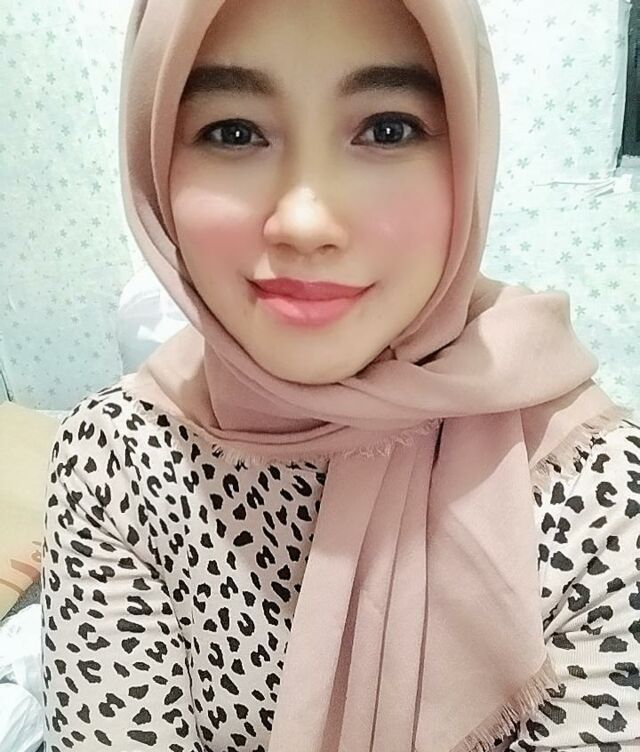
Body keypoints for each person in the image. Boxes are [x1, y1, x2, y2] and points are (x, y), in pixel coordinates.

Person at [40, 0, 640, 750]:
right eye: (233, 132)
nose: (305, 223)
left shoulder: (597, 492)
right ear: (154, 161)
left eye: (388, 129)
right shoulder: (116, 459)